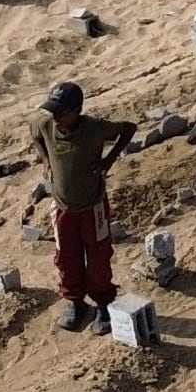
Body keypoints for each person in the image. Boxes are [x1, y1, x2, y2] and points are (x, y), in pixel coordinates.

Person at [33, 82, 132, 333]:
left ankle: (103, 304)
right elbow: (34, 133)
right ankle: (75, 302)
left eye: (60, 112)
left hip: (93, 206)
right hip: (63, 208)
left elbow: (128, 129)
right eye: (52, 111)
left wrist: (109, 160)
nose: (55, 117)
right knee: (66, 257)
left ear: (76, 110)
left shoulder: (94, 129)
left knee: (98, 257)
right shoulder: (46, 125)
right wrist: (45, 161)